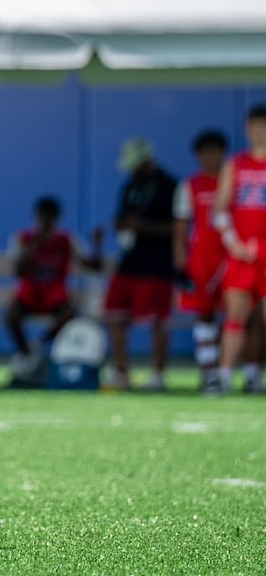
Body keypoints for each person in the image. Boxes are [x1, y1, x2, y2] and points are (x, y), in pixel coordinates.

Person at [103, 137, 178, 391]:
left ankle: (158, 373)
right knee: (114, 313)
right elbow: (121, 218)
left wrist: (144, 227)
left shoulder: (169, 186)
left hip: (158, 263)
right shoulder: (130, 186)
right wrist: (122, 226)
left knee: (158, 320)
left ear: (148, 159)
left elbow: (176, 227)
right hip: (129, 262)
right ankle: (121, 370)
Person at [5, 195, 103, 384]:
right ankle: (26, 353)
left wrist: (97, 245)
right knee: (11, 315)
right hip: (29, 295)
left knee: (69, 313)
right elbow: (18, 270)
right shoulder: (24, 239)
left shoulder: (67, 241)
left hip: (54, 296)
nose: (47, 222)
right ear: (37, 217)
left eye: (51, 218)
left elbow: (93, 266)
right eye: (43, 217)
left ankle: (38, 347)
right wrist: (35, 245)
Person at [212, 105, 266, 394]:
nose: (260, 133)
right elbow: (219, 211)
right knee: (236, 314)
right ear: (247, 129)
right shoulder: (236, 165)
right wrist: (233, 243)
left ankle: (255, 374)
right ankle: (224, 376)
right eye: (255, 126)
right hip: (241, 250)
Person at [173, 129, 230, 393]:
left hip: (232, 256)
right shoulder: (190, 186)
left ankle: (238, 372)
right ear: (198, 155)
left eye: (216, 151)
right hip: (202, 259)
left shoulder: (232, 181)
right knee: (205, 315)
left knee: (239, 316)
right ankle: (209, 373)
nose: (211, 157)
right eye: (206, 152)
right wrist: (180, 260)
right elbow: (181, 227)